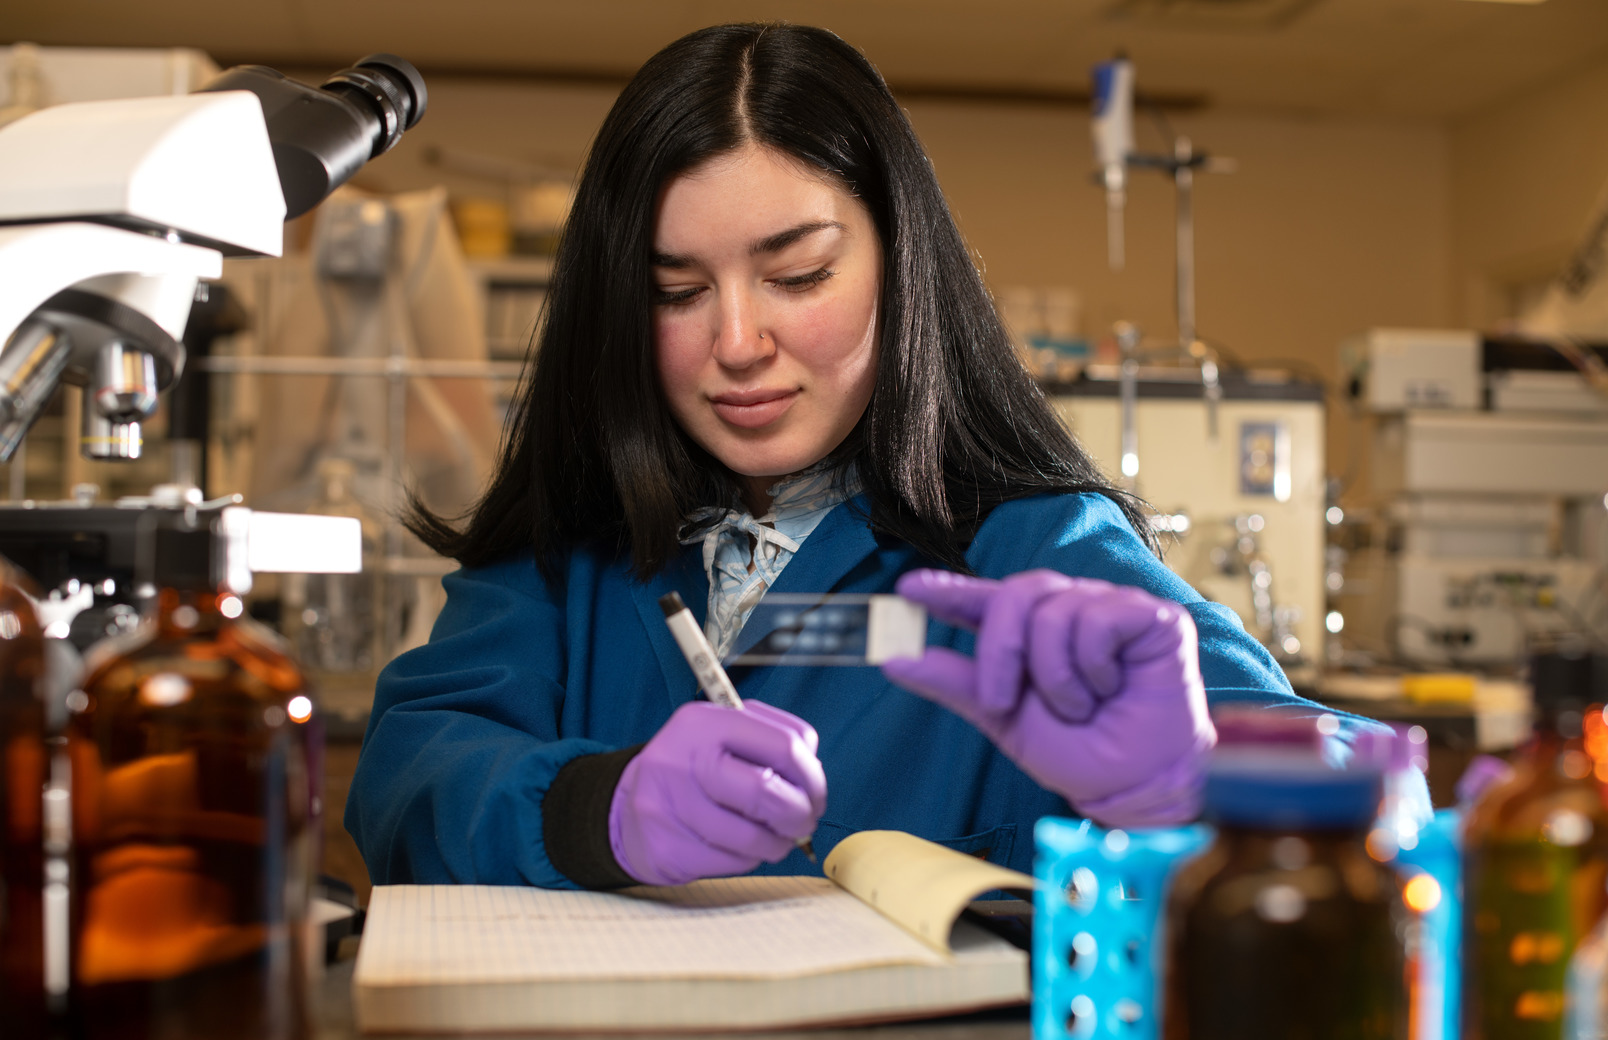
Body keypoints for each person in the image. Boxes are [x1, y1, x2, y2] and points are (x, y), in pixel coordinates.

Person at [345, 22, 1368, 891]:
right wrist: (590, 808)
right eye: (676, 291)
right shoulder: (566, 561)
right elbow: (403, 773)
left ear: (900, 266)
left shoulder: (1034, 545)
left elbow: (1367, 785)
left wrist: (1194, 776)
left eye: (799, 273)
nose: (737, 341)